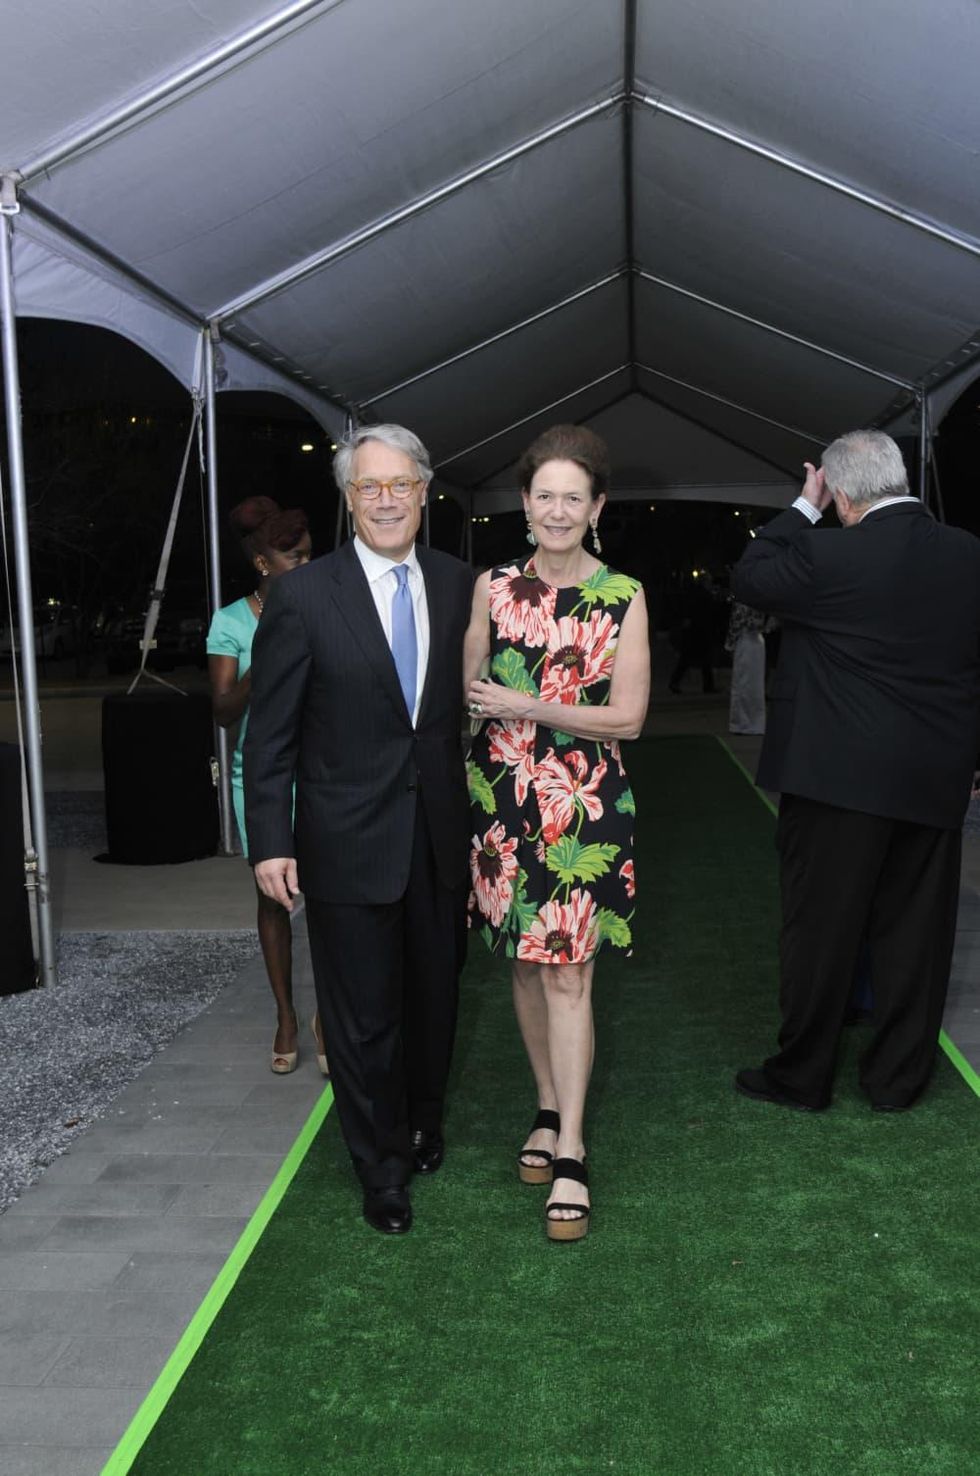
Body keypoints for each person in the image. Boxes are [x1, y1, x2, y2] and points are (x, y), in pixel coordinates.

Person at [243, 425, 473, 1235]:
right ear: (348, 500)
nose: (384, 499)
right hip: (343, 842)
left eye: (399, 484)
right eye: (368, 486)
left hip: (442, 838)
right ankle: (381, 1170)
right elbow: (266, 734)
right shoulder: (305, 597)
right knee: (362, 1014)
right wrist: (270, 838)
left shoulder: (457, 584)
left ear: (423, 491)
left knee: (435, 999)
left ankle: (421, 1122)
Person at [732, 430, 980, 1112]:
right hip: (935, 776)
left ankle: (801, 1075)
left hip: (836, 779)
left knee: (821, 931)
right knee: (917, 934)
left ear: (840, 494)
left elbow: (750, 573)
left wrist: (801, 508)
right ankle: (897, 1081)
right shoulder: (967, 554)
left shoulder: (824, 551)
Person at [464, 424, 650, 1241]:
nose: (559, 509)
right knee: (526, 967)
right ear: (525, 503)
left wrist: (530, 706)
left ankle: (570, 1145)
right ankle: (545, 1103)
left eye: (575, 496)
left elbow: (630, 717)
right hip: (501, 803)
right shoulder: (492, 587)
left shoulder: (624, 595)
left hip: (582, 805)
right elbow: (464, 685)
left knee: (571, 973)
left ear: (597, 506)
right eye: (545, 495)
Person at [207, 498, 328, 1078]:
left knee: (331, 898)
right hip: (259, 778)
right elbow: (225, 710)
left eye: (309, 554)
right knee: (273, 898)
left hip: (326, 772)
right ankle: (285, 1014)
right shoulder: (232, 621)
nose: (306, 565)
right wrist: (267, 659)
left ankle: (328, 1015)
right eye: (293, 557)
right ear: (262, 563)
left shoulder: (327, 605)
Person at [724, 601, 774, 735]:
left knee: (742, 683)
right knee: (755, 684)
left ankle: (741, 724)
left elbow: (736, 623)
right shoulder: (762, 598)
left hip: (745, 641)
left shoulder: (743, 600)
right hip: (758, 641)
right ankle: (756, 723)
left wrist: (729, 644)